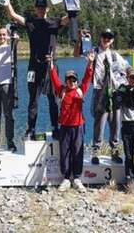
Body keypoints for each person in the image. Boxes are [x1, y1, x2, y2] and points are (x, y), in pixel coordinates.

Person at [5, 0, 69, 140]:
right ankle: (31, 129)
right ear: (35, 9)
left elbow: (69, 18)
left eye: (43, 7)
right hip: (33, 67)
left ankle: (55, 128)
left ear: (47, 8)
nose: (41, 10)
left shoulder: (54, 22)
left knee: (53, 100)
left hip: (51, 67)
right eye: (38, 7)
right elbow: (13, 15)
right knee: (33, 100)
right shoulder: (31, 22)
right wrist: (7, 1)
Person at [50, 51, 94, 192]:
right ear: (66, 80)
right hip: (64, 127)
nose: (71, 82)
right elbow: (54, 77)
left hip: (79, 127)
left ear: (76, 80)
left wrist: (90, 62)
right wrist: (51, 64)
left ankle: (77, 178)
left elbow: (88, 77)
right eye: (69, 79)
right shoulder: (61, 90)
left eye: (74, 79)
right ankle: (66, 179)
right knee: (64, 153)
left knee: (77, 152)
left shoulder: (81, 90)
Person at [90, 29, 129, 165]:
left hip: (114, 93)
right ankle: (95, 153)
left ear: (112, 40)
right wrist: (79, 40)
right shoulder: (93, 52)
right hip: (100, 92)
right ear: (100, 37)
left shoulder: (114, 55)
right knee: (99, 124)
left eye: (109, 37)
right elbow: (76, 54)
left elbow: (126, 69)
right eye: (104, 36)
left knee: (115, 124)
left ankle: (115, 152)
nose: (106, 39)